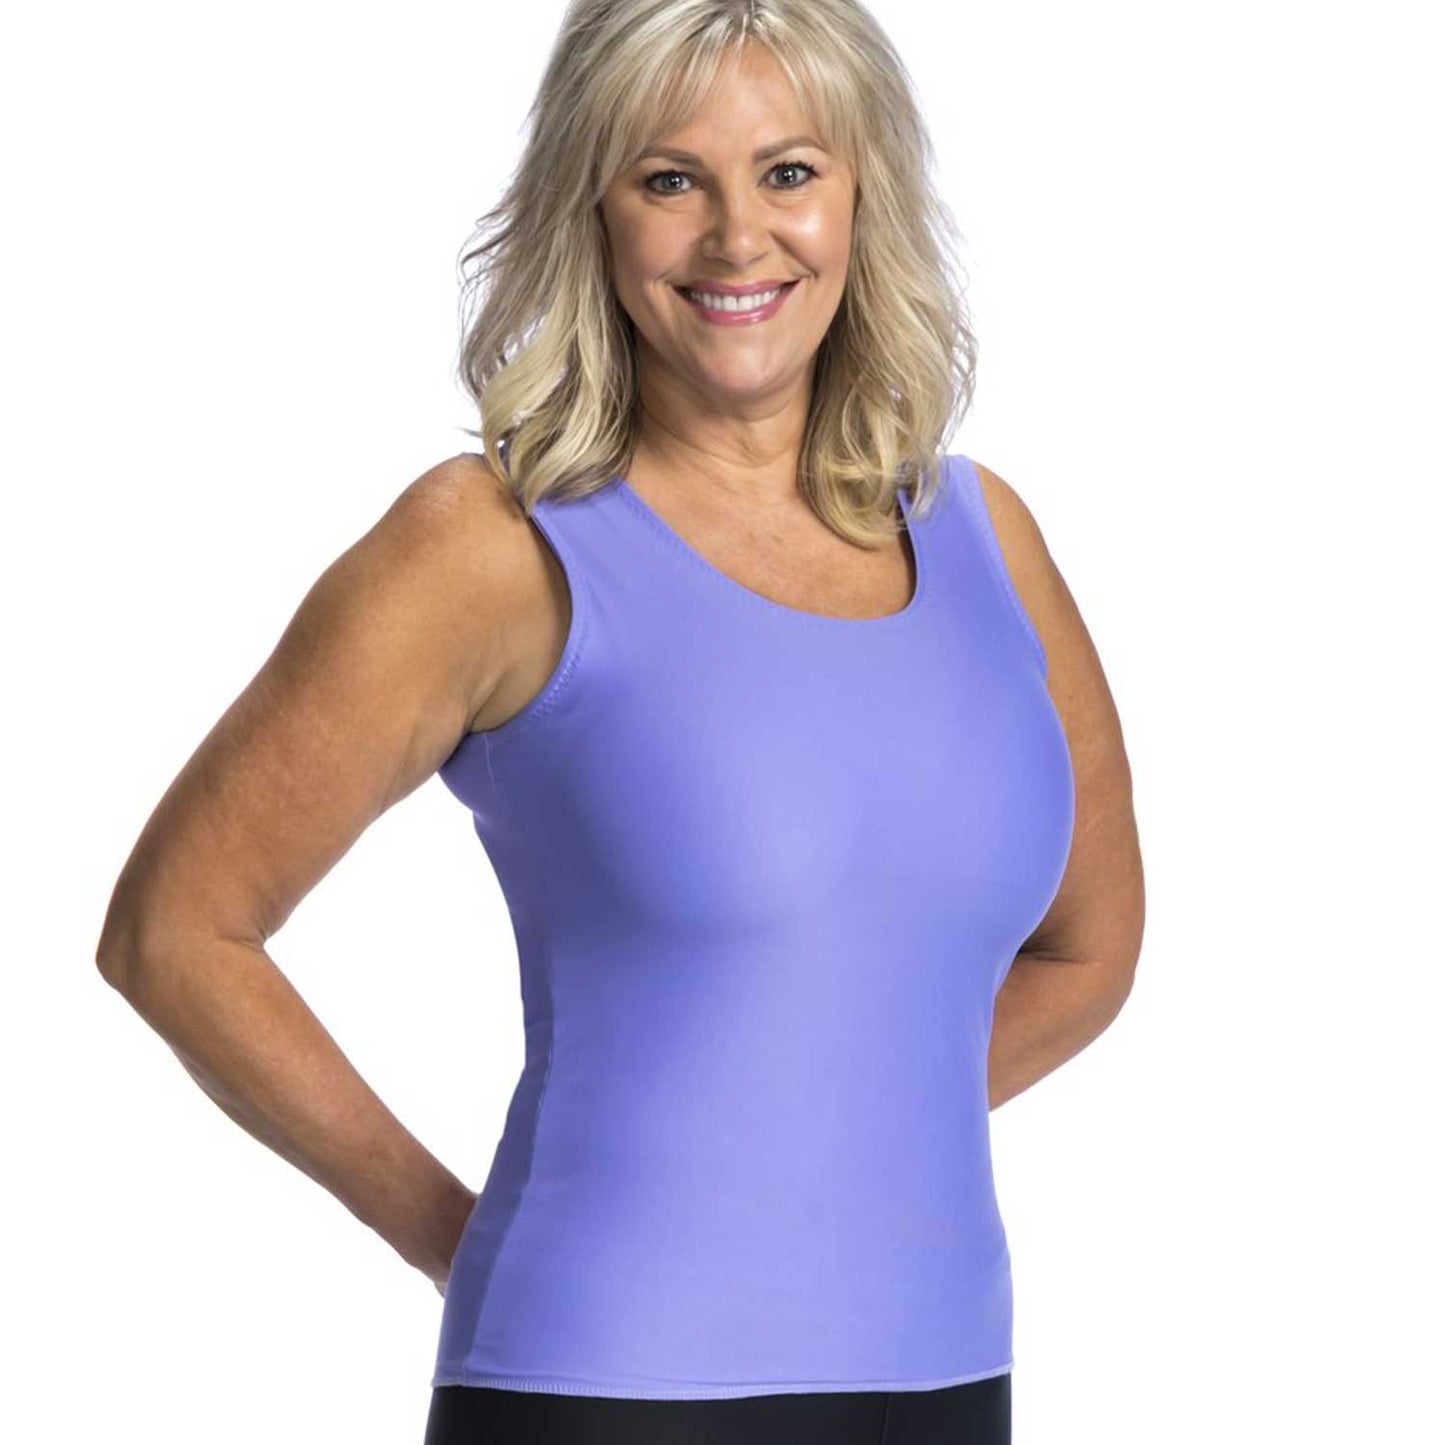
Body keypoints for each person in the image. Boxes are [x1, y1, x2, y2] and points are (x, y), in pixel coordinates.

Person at [96, 1, 1145, 1440]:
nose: (736, 237)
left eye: (789, 172)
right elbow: (175, 932)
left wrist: (824, 1137)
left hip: (946, 1376)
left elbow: (1089, 950)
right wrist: (450, 1231)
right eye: (669, 179)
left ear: (864, 197)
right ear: (591, 209)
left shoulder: (985, 535)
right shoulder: (490, 546)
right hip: (602, 1383)